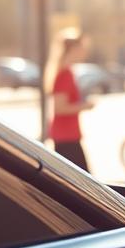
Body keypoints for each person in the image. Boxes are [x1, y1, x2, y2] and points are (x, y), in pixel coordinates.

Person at [46, 27, 93, 171]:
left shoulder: (66, 71)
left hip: (68, 136)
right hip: (66, 138)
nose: (84, 51)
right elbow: (59, 108)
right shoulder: (64, 74)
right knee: (85, 184)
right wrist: (84, 106)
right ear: (73, 49)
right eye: (82, 47)